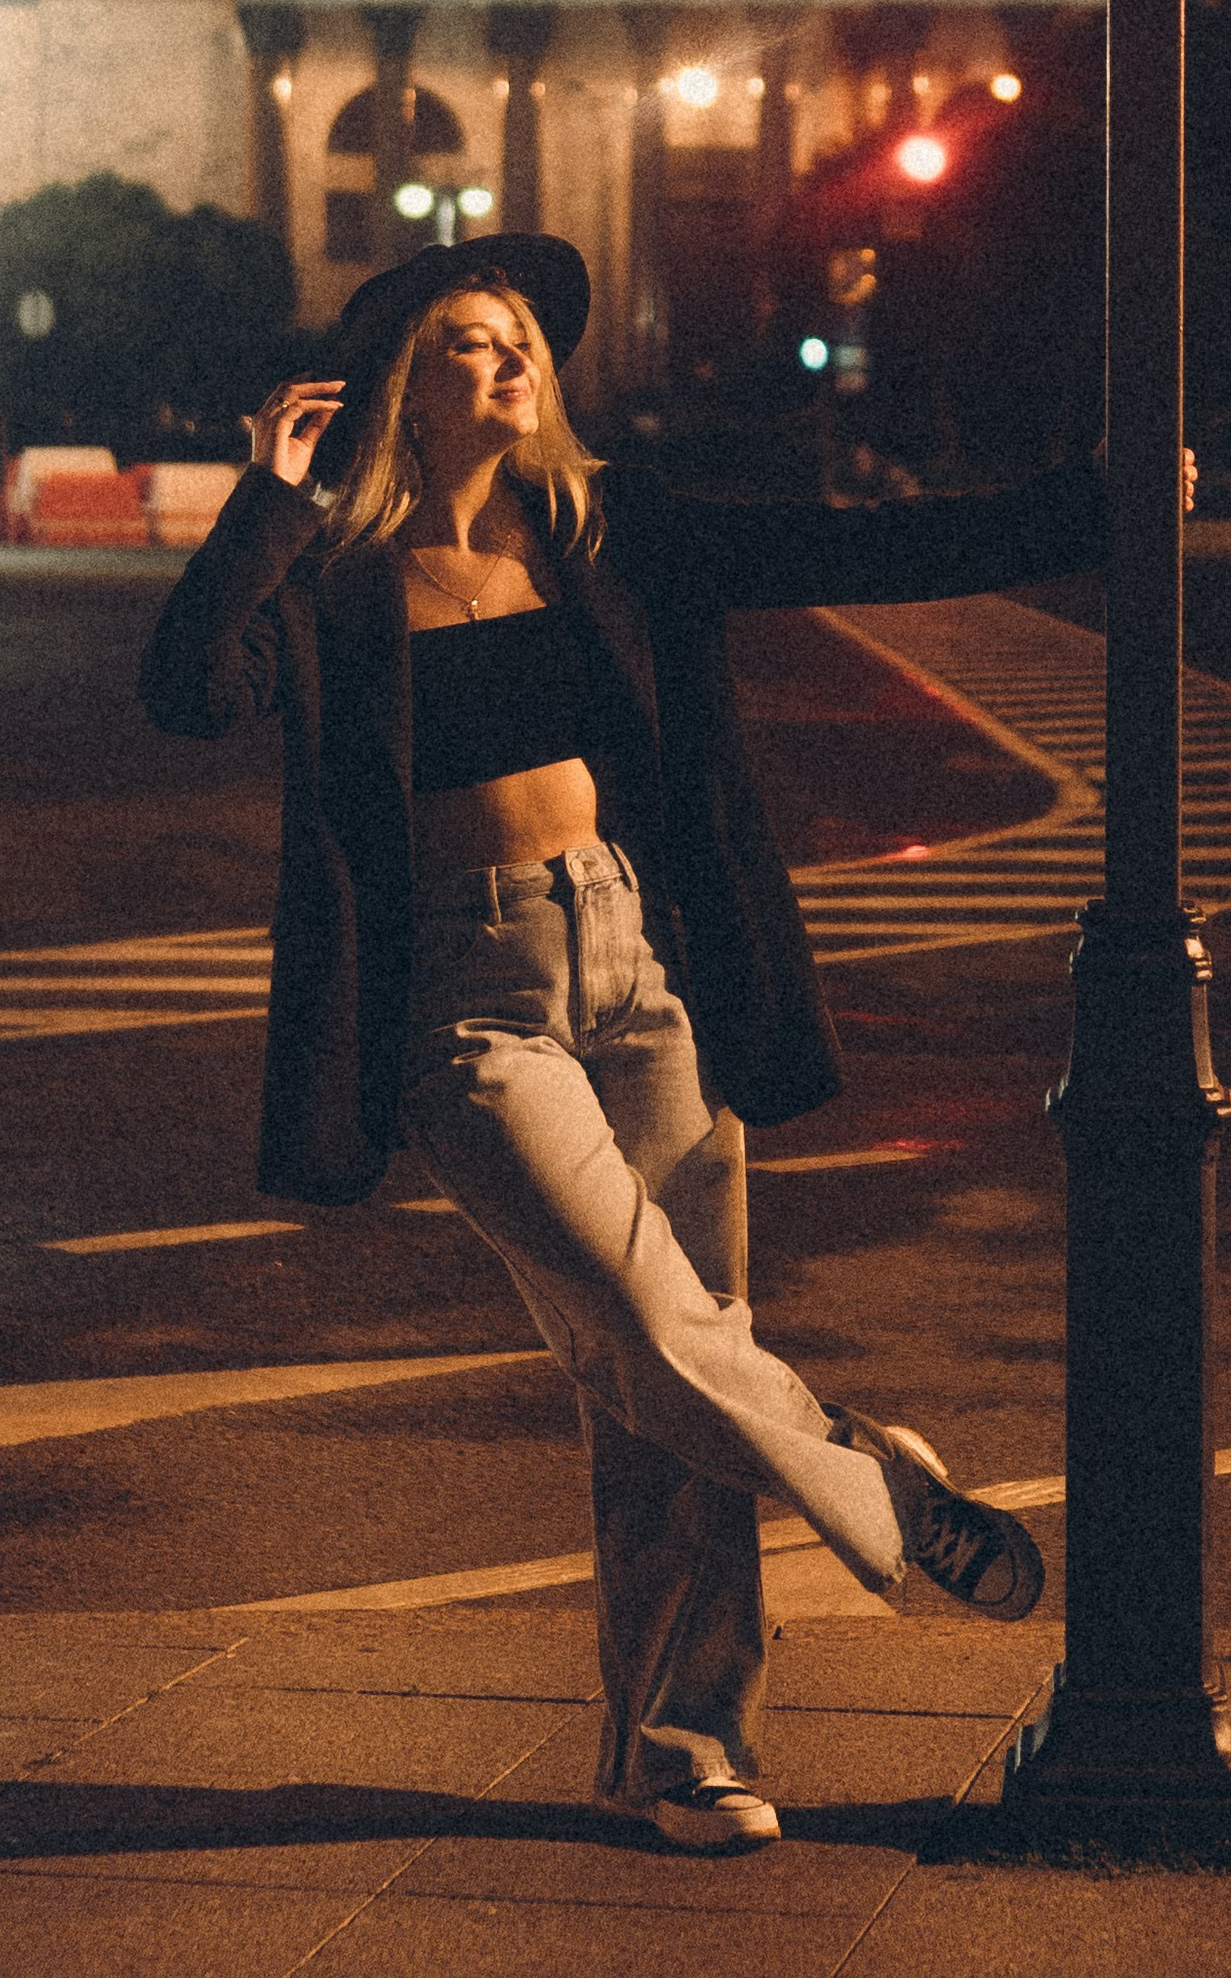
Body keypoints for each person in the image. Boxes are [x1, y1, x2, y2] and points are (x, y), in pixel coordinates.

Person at [139, 232, 1102, 1853]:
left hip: (636, 962)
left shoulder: (613, 525)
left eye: (522, 339)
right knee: (662, 1327)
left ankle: (684, 1752)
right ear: (396, 383)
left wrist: (1102, 507)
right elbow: (187, 691)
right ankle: (886, 1493)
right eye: (467, 339)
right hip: (465, 996)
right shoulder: (339, 568)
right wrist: (270, 493)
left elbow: (849, 551)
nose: (510, 360)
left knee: (658, 1377)